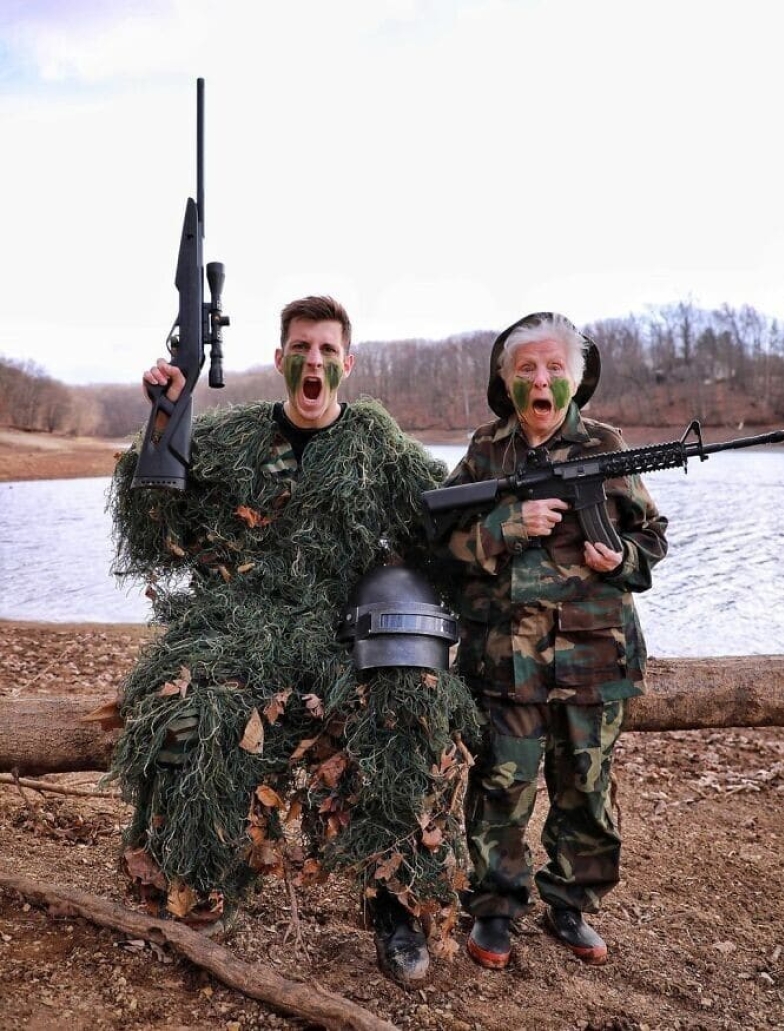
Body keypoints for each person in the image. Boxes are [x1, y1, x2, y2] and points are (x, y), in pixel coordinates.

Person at [107, 295, 478, 986]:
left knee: (416, 707)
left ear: (347, 363)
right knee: (192, 716)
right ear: (279, 360)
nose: (314, 362)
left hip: (338, 631)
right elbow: (153, 523)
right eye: (301, 349)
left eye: (327, 351)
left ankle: (395, 904)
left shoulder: (376, 446)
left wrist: (520, 516)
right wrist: (164, 417)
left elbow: (446, 522)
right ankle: (197, 886)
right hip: (234, 627)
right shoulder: (232, 438)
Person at [436, 311, 668, 969]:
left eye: (554, 368)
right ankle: (495, 909)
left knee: (586, 788)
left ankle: (570, 904)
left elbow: (653, 541)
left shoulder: (608, 446)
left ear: (573, 379)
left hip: (596, 656)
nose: (541, 380)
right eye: (526, 369)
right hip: (504, 659)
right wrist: (507, 524)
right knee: (502, 785)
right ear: (506, 381)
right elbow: (442, 544)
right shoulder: (486, 450)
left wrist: (617, 557)